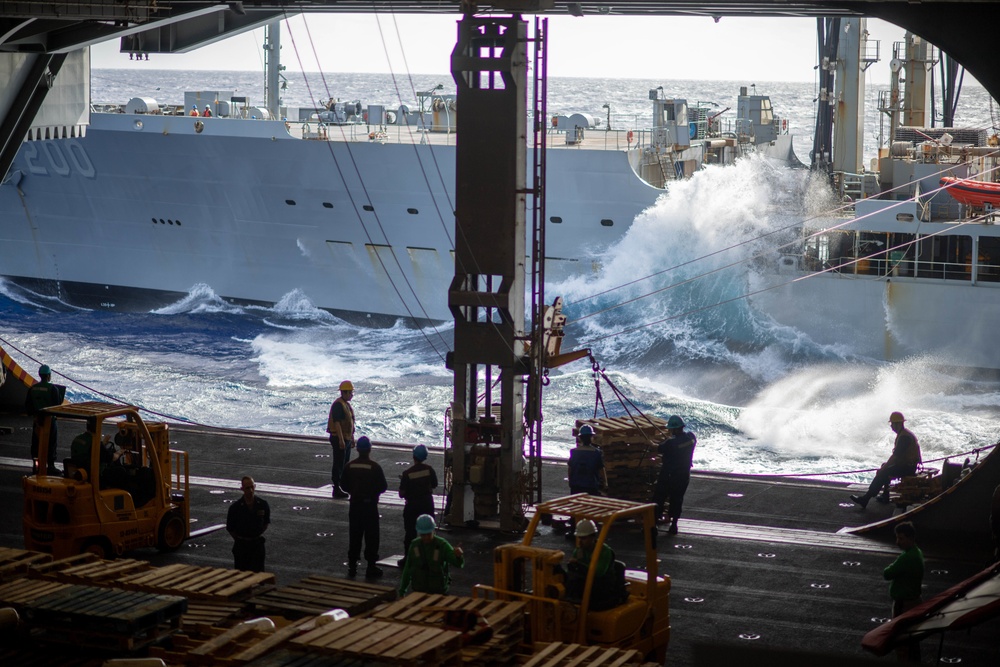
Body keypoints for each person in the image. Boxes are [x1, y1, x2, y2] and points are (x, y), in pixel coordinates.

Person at [852, 412, 922, 509]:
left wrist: (883, 469)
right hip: (908, 465)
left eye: (892, 424)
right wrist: (884, 467)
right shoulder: (905, 434)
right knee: (884, 467)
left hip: (908, 467)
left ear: (898, 424)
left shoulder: (904, 437)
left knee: (883, 472)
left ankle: (866, 498)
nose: (891, 426)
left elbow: (895, 457)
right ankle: (885, 495)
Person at [341, 436, 387, 578]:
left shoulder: (349, 466)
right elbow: (383, 487)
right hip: (370, 506)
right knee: (372, 536)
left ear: (358, 449)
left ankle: (352, 566)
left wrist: (353, 492)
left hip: (355, 505)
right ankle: (371, 566)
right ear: (369, 449)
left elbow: (343, 485)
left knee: (355, 535)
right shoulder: (375, 467)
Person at [883, 521, 924, 663]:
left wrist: (892, 565)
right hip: (914, 600)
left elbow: (887, 573)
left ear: (910, 538)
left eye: (901, 538)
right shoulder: (917, 553)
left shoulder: (906, 558)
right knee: (912, 639)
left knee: (901, 641)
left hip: (903, 604)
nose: (897, 542)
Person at [398, 514, 464, 596]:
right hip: (419, 591)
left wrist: (458, 556)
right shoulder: (415, 545)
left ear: (433, 530)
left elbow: (458, 564)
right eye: (423, 534)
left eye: (428, 534)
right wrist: (402, 591)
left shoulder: (442, 545)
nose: (426, 537)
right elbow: (408, 569)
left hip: (439, 592)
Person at [652, 415, 697, 535]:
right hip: (684, 476)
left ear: (674, 429)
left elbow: (658, 448)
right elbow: (677, 444)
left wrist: (650, 443)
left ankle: (654, 525)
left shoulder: (670, 442)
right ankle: (674, 525)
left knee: (659, 498)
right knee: (677, 499)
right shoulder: (691, 437)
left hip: (669, 476)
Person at [399, 444, 438, 561]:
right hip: (427, 504)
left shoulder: (407, 473)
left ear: (413, 456)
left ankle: (409, 557)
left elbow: (401, 494)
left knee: (410, 533)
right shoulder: (429, 470)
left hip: (412, 506)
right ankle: (431, 557)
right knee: (429, 532)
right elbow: (435, 484)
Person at [24, 364, 65, 474]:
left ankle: (35, 465)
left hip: (37, 421)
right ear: (48, 376)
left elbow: (28, 407)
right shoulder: (53, 389)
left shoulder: (33, 388)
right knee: (51, 443)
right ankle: (50, 466)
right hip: (50, 420)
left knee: (36, 443)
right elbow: (57, 405)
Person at [226, 476, 270, 572]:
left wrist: (255, 534)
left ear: (255, 487)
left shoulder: (263, 504)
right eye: (247, 488)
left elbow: (266, 523)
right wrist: (242, 539)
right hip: (242, 546)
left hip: (257, 546)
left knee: (258, 576)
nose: (250, 490)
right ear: (242, 489)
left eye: (252, 487)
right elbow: (230, 528)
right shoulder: (235, 508)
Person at [327, 380, 356, 499]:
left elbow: (350, 423)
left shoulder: (346, 404)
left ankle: (343, 486)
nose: (352, 395)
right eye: (350, 392)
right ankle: (336, 487)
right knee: (339, 463)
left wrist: (352, 438)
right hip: (339, 438)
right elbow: (337, 423)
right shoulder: (338, 405)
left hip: (346, 438)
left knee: (345, 463)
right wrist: (341, 440)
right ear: (345, 392)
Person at [568, 424, 608, 495]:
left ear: (580, 438)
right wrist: (605, 483)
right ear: (591, 437)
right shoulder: (596, 453)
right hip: (591, 486)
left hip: (576, 486)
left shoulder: (573, 452)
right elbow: (601, 469)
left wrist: (570, 481)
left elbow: (570, 469)